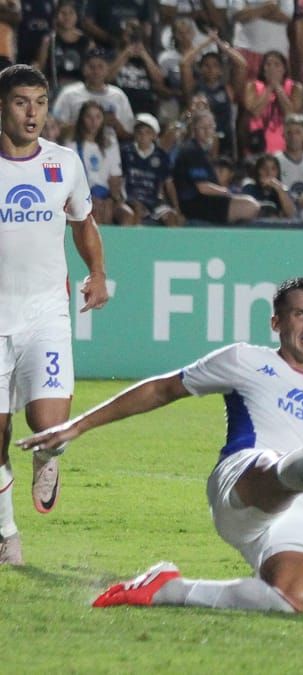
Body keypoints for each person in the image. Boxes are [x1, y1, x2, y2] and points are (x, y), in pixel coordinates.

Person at [17, 278, 303, 612]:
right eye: (299, 313)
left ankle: (169, 588)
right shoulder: (245, 360)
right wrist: (78, 426)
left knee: (294, 600)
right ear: (276, 322)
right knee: (277, 466)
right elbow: (161, 389)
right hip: (242, 483)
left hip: (299, 510)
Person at [0, 64, 109, 565]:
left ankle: (48, 458)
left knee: (48, 425)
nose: (32, 113)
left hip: (45, 313)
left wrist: (97, 273)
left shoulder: (64, 163)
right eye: (22, 102)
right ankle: (7, 536)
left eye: (40, 103)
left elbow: (83, 222)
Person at [172, 110, 261, 224]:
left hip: (206, 202)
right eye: (202, 127)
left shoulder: (202, 151)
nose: (207, 131)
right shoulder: (192, 151)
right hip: (196, 205)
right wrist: (227, 192)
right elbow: (203, 187)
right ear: (194, 129)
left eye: (210, 127)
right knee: (250, 206)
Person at [118, 113, 183, 226]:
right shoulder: (126, 152)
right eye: (139, 132)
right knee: (137, 209)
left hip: (153, 200)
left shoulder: (161, 156)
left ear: (154, 135)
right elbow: (118, 178)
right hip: (131, 198)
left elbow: (168, 183)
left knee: (171, 216)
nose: (143, 136)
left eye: (147, 132)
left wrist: (176, 208)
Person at [243, 50, 303, 156]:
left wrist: (277, 87)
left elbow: (290, 115)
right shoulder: (252, 86)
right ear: (263, 69)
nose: (272, 68)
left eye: (277, 65)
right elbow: (255, 112)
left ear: (284, 69)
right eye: (268, 64)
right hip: (258, 142)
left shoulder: (296, 88)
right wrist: (270, 87)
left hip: (285, 143)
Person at [71, 100, 125, 225]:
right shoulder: (72, 146)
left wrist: (113, 198)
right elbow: (71, 180)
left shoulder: (110, 145)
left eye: (98, 117)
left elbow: (115, 176)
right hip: (83, 196)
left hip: (106, 196)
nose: (93, 122)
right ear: (82, 119)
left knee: (127, 214)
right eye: (89, 117)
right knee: (95, 210)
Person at [243, 153, 298, 218]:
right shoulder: (249, 188)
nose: (269, 172)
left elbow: (291, 214)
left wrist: (279, 189)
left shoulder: (283, 190)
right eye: (264, 168)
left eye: (273, 169)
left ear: (278, 172)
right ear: (257, 171)